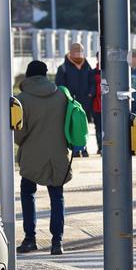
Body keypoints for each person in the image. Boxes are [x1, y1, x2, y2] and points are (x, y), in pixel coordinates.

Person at [15, 61, 72, 255]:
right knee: (57, 197)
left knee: (28, 193)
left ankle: (30, 239)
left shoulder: (21, 99)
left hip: (32, 156)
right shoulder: (62, 96)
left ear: (28, 76)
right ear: (46, 75)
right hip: (57, 155)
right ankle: (57, 242)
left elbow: (19, 134)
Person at [56, 42, 96, 157]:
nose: (78, 55)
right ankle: (74, 149)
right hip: (70, 103)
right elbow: (60, 85)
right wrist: (67, 97)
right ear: (70, 53)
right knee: (72, 126)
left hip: (85, 102)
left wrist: (90, 94)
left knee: (84, 126)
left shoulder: (87, 66)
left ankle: (83, 148)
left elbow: (92, 82)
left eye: (80, 53)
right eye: (76, 53)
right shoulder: (63, 68)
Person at [92, 52, 102, 155]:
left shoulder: (112, 72)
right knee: (98, 127)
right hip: (96, 105)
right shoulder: (93, 72)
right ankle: (100, 147)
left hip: (109, 106)